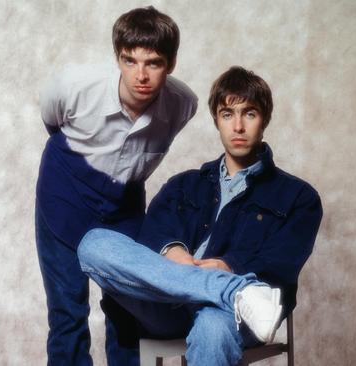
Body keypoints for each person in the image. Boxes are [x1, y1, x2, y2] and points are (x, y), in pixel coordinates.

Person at [77, 66, 323, 365]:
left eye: (250, 113)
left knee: (212, 326)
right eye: (228, 114)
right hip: (170, 303)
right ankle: (232, 292)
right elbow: (149, 237)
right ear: (217, 120)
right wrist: (173, 251)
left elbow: (281, 263)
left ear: (265, 119)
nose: (238, 127)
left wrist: (227, 265)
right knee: (93, 244)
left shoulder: (298, 197)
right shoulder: (184, 184)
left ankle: (230, 295)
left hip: (231, 317)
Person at [35, 6, 197, 365]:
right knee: (67, 312)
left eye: (153, 63)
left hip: (124, 205)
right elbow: (52, 121)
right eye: (130, 60)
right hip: (65, 193)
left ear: (170, 64)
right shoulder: (76, 85)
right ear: (117, 57)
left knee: (127, 310)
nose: (140, 74)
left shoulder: (183, 104)